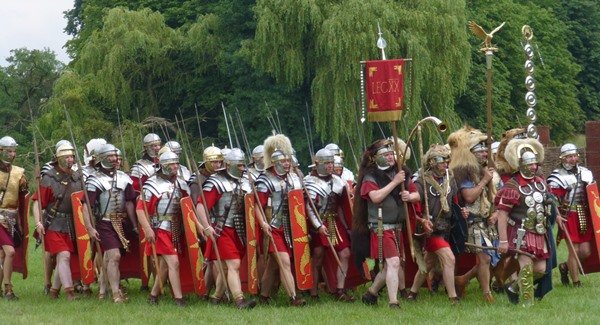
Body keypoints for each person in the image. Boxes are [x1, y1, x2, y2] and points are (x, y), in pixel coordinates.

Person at [354, 138, 419, 309]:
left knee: (391, 265)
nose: (391, 157)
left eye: (392, 154)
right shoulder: (370, 176)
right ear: (376, 157)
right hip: (381, 228)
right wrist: (395, 182)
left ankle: (371, 293)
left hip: (398, 226)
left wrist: (409, 196)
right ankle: (393, 302)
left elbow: (416, 194)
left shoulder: (401, 171)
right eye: (386, 154)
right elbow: (375, 197)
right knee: (394, 263)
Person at [496, 138, 554, 306]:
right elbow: (502, 215)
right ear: (520, 164)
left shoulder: (540, 183)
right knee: (527, 268)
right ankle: (527, 306)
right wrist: (503, 240)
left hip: (539, 232)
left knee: (541, 270)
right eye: (529, 164)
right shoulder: (512, 186)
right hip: (521, 232)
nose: (533, 167)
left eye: (535, 164)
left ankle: (513, 287)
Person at [196, 148, 256, 309]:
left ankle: (216, 298)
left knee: (225, 267)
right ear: (229, 165)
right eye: (240, 166)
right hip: (221, 230)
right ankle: (239, 300)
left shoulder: (244, 182)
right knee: (233, 264)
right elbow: (200, 206)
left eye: (244, 165)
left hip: (239, 230)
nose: (243, 169)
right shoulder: (216, 182)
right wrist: (206, 226)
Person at [447, 126, 499, 303]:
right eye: (481, 150)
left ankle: (463, 279)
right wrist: (485, 180)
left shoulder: (485, 169)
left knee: (492, 256)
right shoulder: (465, 172)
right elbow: (469, 197)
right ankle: (487, 293)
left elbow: (493, 197)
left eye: (486, 150)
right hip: (471, 221)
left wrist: (496, 212)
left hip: (486, 221)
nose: (485, 153)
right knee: (484, 257)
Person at [255, 134, 306, 306]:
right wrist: (263, 223)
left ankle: (263, 296)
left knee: (274, 265)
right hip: (274, 226)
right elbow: (257, 205)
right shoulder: (265, 179)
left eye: (288, 160)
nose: (287, 164)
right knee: (283, 261)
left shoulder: (293, 178)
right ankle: (294, 298)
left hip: (291, 226)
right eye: (283, 161)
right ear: (275, 161)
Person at [83, 144, 138, 303]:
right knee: (114, 256)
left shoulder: (124, 177)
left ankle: (102, 290)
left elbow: (129, 203)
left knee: (108, 257)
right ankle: (115, 293)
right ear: (102, 158)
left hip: (121, 223)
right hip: (104, 223)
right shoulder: (94, 179)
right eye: (111, 157)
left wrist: (134, 225)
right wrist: (89, 227)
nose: (115, 159)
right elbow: (86, 205)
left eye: (116, 156)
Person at [407, 144, 459, 304]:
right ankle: (453, 297)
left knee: (428, 263)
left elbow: (455, 201)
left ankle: (412, 294)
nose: (446, 163)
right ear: (432, 162)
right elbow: (415, 204)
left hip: (446, 227)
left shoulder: (450, 177)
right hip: (431, 229)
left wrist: (461, 211)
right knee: (449, 259)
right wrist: (421, 218)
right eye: (441, 160)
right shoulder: (422, 181)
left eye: (447, 159)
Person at [136, 151, 190, 307]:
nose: (175, 167)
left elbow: (187, 206)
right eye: (172, 164)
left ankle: (153, 296)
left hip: (176, 228)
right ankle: (179, 299)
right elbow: (140, 209)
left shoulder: (180, 183)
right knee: (174, 263)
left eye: (176, 163)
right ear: (164, 166)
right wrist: (147, 229)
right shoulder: (152, 184)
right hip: (160, 229)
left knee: (165, 266)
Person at [32, 143, 84, 300]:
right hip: (53, 223)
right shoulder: (49, 177)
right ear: (59, 159)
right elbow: (37, 202)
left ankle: (54, 291)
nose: (71, 159)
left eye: (72, 156)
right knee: (64, 255)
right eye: (67, 157)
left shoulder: (77, 177)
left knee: (64, 257)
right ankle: (70, 292)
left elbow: (82, 202)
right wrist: (38, 222)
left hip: (71, 224)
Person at [305, 148, 354, 301]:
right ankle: (313, 292)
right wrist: (319, 226)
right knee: (318, 256)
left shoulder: (338, 181)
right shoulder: (309, 182)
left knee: (345, 253)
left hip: (334, 221)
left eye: (332, 162)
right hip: (317, 223)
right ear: (318, 164)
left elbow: (341, 206)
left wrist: (348, 226)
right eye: (327, 163)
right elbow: (309, 208)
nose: (330, 166)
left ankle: (340, 290)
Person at [547, 143, 595, 287]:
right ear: (563, 158)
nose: (572, 159)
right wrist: (556, 216)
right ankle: (576, 282)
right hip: (568, 215)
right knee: (574, 250)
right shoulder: (557, 176)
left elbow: (593, 195)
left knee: (585, 251)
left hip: (584, 214)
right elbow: (551, 199)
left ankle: (565, 267)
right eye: (569, 157)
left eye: (574, 156)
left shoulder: (586, 172)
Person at [0, 136, 28, 300]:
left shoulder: (19, 173)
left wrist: (21, 222)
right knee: (9, 252)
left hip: (11, 219)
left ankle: (5, 289)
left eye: (14, 151)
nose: (12, 154)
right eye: (9, 151)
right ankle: (8, 288)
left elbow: (23, 200)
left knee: (3, 255)